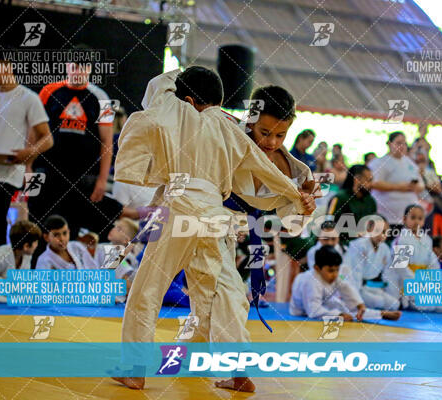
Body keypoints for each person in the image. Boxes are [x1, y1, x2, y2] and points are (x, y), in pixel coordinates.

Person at [112, 67, 315, 392]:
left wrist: (182, 74)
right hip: (213, 214)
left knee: (147, 289)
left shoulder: (174, 107)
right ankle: (237, 369)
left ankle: (135, 368)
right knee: (217, 291)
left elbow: (157, 85)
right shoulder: (228, 126)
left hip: (178, 205)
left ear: (189, 98)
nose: (272, 142)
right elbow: (263, 166)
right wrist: (295, 193)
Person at [222, 84, 315, 331]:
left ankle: (196, 354)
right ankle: (234, 363)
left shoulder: (294, 171)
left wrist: (305, 207)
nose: (272, 142)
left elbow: (293, 226)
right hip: (196, 218)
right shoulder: (224, 136)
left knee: (222, 298)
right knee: (226, 297)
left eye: (280, 135)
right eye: (265, 132)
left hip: (234, 236)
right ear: (250, 119)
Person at [0, 49, 53, 281]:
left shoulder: (28, 98)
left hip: (5, 174)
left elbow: (47, 138)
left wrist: (27, 153)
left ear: (8, 67)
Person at [28, 44, 122, 242]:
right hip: (47, 172)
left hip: (81, 177)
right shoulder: (48, 91)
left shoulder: (101, 98)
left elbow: (107, 142)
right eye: (75, 65)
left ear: (90, 69)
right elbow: (33, 132)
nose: (78, 71)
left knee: (70, 231)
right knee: (38, 227)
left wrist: (102, 180)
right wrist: (28, 167)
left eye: (84, 66)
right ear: (67, 66)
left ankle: (68, 271)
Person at [290, 245, 400, 321]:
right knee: (339, 311)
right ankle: (377, 314)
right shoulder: (310, 281)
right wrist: (339, 315)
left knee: (342, 306)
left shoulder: (332, 276)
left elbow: (347, 288)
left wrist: (360, 305)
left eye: (337, 270)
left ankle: (378, 314)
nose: (334, 274)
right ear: (317, 268)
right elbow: (313, 311)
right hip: (301, 312)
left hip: (323, 304)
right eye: (330, 270)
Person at [384, 204, 442, 312]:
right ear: (405, 219)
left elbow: (433, 264)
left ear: (424, 221)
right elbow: (400, 268)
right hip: (403, 282)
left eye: (420, 218)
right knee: (427, 306)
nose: (416, 222)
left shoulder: (427, 240)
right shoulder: (402, 239)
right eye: (413, 217)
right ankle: (404, 301)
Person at [369, 131, 423, 237]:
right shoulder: (379, 163)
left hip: (408, 218)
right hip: (387, 216)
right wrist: (398, 187)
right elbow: (373, 183)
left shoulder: (409, 162)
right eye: (398, 143)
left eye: (404, 143)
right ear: (389, 144)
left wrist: (412, 187)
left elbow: (421, 185)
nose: (402, 146)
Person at [344, 216, 399, 310]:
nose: (381, 235)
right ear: (369, 229)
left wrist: (391, 293)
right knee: (379, 301)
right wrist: (356, 302)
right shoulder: (359, 245)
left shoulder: (385, 249)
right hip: (351, 286)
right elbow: (354, 275)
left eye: (384, 232)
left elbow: (389, 274)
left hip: (368, 287)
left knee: (394, 304)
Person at [327, 164, 376, 244]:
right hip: (342, 244)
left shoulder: (370, 201)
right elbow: (328, 226)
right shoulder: (339, 198)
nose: (371, 184)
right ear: (357, 179)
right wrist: (355, 233)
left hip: (365, 245)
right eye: (368, 180)